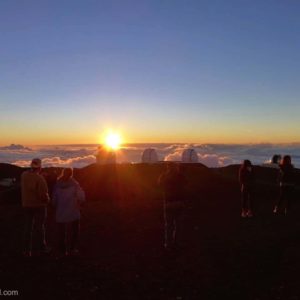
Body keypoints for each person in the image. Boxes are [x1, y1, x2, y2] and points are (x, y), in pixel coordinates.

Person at [52, 168, 85, 257]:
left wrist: (55, 206)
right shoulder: (75, 184)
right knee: (75, 230)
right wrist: (80, 203)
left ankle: (63, 251)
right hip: (73, 210)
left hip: (61, 211)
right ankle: (73, 249)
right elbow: (81, 197)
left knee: (62, 232)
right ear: (71, 174)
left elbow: (54, 200)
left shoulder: (57, 184)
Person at [21, 158, 50, 257]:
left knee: (28, 228)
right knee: (39, 227)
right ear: (40, 167)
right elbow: (43, 196)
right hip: (39, 206)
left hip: (26, 205)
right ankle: (42, 248)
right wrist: (48, 201)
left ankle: (26, 250)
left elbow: (30, 182)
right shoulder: (40, 179)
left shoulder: (23, 175)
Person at [158, 163, 187, 250]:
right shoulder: (180, 176)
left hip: (168, 203)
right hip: (179, 203)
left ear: (168, 167)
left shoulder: (163, 176)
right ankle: (177, 243)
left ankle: (168, 244)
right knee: (178, 225)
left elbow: (159, 185)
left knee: (169, 225)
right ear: (176, 167)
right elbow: (186, 183)